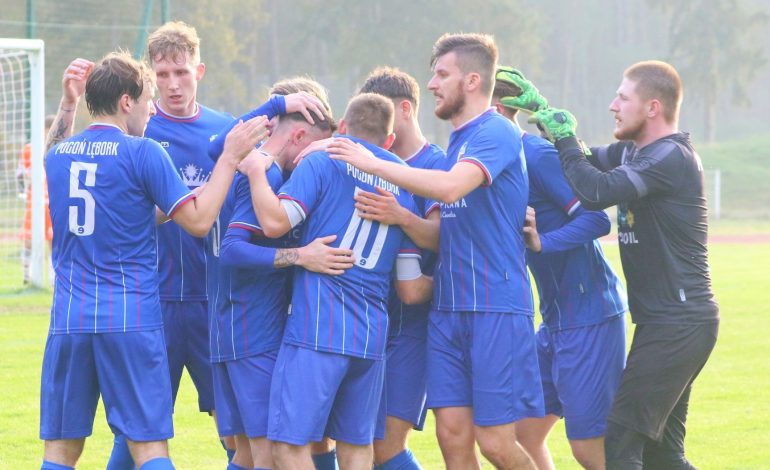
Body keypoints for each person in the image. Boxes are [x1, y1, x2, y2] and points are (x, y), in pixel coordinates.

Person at [40, 51, 266, 470]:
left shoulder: (60, 155)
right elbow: (198, 223)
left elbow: (53, 148)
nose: (151, 108)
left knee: (60, 451)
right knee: (148, 448)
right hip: (129, 318)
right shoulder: (142, 152)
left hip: (68, 320)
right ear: (126, 101)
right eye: (147, 99)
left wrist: (68, 104)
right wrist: (230, 158)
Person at [328, 33, 543, 470]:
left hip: (495, 308)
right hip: (447, 310)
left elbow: (450, 189)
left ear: (472, 80)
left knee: (497, 443)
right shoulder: (459, 144)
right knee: (452, 437)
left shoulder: (496, 131)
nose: (432, 85)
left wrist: (373, 162)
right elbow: (440, 226)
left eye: (442, 74)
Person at [527, 60, 720, 470]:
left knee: (620, 444)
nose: (613, 105)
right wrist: (545, 114)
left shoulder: (670, 157)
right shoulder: (634, 151)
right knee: (662, 455)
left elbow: (596, 191)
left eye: (622, 97)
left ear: (652, 107)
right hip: (667, 322)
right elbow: (581, 158)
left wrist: (564, 137)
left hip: (679, 323)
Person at [241, 92, 433, 469]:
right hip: (371, 338)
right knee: (357, 445)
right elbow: (410, 286)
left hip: (318, 329)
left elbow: (275, 222)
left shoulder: (323, 160)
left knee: (288, 445)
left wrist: (254, 175)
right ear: (389, 140)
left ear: (342, 128)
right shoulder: (404, 187)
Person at [212, 81, 353, 470]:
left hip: (232, 325)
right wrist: (301, 256)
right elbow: (234, 249)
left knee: (246, 451)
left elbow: (216, 147)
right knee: (270, 454)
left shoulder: (244, 160)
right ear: (299, 134)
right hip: (251, 329)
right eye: (314, 149)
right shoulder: (266, 177)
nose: (314, 161)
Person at [492, 67, 628, 469]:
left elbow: (598, 220)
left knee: (589, 448)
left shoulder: (535, 154)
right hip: (554, 321)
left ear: (495, 107)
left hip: (590, 317)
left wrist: (542, 242)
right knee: (522, 435)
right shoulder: (497, 159)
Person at [357, 66, 446, 470]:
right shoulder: (370, 162)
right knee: (355, 443)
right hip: (368, 320)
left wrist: (400, 215)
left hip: (414, 326)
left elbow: (440, 236)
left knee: (385, 447)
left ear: (405, 110)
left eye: (385, 110)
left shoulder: (437, 163)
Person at [18, 115, 55, 286]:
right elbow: (22, 175)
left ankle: (52, 277)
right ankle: (28, 274)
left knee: (52, 240)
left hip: (49, 201)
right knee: (29, 238)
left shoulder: (56, 147)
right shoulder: (29, 149)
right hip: (37, 201)